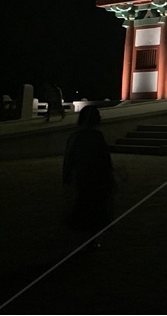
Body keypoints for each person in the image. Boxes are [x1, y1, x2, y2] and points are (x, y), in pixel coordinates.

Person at [62, 106, 115, 250]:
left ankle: (83, 238)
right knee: (94, 208)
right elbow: (105, 159)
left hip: (82, 176)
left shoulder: (75, 136)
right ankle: (90, 238)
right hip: (95, 177)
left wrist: (66, 175)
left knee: (83, 205)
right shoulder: (96, 135)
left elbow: (69, 158)